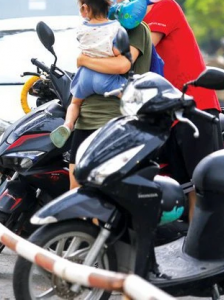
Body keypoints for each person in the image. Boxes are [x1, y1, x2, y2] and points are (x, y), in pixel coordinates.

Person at [55, 0, 153, 189]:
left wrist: (84, 60)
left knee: (105, 194)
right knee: (76, 192)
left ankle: (68, 123)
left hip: (116, 122)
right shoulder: (106, 28)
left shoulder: (134, 29)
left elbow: (122, 65)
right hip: (86, 121)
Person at [144, 0, 223, 222]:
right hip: (169, 112)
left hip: (195, 106)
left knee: (205, 185)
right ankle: (190, 243)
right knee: (186, 188)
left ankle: (210, 244)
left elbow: (142, 49)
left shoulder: (164, 6)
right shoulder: (134, 20)